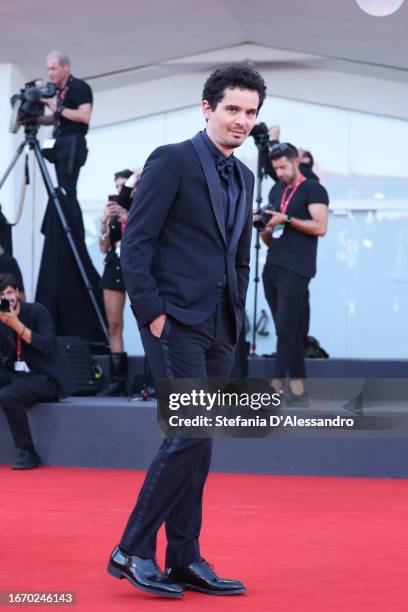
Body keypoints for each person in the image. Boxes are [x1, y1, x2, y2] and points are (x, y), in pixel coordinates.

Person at [107, 64, 266, 599]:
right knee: (190, 432)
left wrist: (236, 310)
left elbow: (238, 255)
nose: (241, 121)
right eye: (232, 109)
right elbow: (137, 242)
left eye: (250, 112)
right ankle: (132, 548)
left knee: (200, 443)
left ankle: (183, 557)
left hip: (220, 325)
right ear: (207, 108)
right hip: (174, 321)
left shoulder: (244, 177)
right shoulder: (173, 159)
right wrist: (152, 313)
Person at [260, 143, 329, 405]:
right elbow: (270, 237)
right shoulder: (277, 189)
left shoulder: (313, 188)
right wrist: (265, 227)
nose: (279, 172)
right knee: (288, 330)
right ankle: (299, 392)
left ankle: (276, 388)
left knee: (286, 329)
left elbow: (320, 227)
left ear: (296, 162)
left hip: (298, 267)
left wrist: (286, 219)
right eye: (276, 168)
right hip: (273, 264)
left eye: (283, 167)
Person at [0, 273, 72, 469]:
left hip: (45, 377)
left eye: (9, 293)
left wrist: (17, 326)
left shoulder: (37, 311)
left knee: (8, 396)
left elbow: (48, 346)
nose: (6, 299)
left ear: (17, 293)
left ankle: (28, 451)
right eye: (1, 296)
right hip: (16, 375)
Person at [99, 169, 139, 395]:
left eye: (122, 187)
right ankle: (118, 380)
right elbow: (103, 248)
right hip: (114, 268)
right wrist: (105, 223)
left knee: (148, 323)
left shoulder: (140, 208)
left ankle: (152, 377)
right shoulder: (112, 215)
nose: (119, 192)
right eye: (116, 188)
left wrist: (127, 217)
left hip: (137, 269)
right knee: (114, 325)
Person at [40, 51, 93, 208]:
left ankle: (72, 231)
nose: (50, 73)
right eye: (48, 69)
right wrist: (34, 118)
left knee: (67, 191)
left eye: (53, 68)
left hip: (72, 146)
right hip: (61, 145)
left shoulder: (79, 87)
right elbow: (56, 118)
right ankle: (61, 229)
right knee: (63, 190)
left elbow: (85, 116)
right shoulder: (60, 91)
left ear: (66, 68)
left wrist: (56, 108)